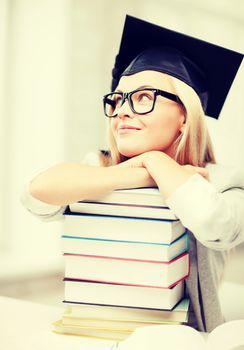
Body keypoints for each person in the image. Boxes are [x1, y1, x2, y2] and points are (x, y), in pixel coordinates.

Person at [21, 15, 244, 333]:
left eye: (143, 97)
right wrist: (136, 173)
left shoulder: (224, 182)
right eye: (118, 98)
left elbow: (213, 222)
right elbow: (34, 194)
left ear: (185, 115)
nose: (122, 110)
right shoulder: (100, 168)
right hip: (97, 332)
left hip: (183, 337)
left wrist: (156, 160)